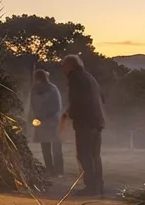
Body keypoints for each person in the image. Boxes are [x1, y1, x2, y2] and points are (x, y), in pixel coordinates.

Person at [60, 54, 106, 196]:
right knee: (94, 155)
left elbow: (76, 100)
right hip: (97, 121)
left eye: (64, 66)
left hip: (85, 122)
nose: (63, 70)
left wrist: (70, 114)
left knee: (84, 155)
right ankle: (98, 186)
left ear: (70, 66)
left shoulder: (75, 78)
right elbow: (102, 98)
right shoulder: (89, 77)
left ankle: (91, 187)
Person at [28, 69, 64, 176]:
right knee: (45, 146)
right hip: (40, 121)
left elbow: (57, 106)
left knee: (56, 146)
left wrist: (49, 117)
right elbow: (32, 104)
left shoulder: (52, 89)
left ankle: (59, 170)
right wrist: (34, 117)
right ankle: (49, 169)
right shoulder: (34, 89)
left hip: (52, 121)